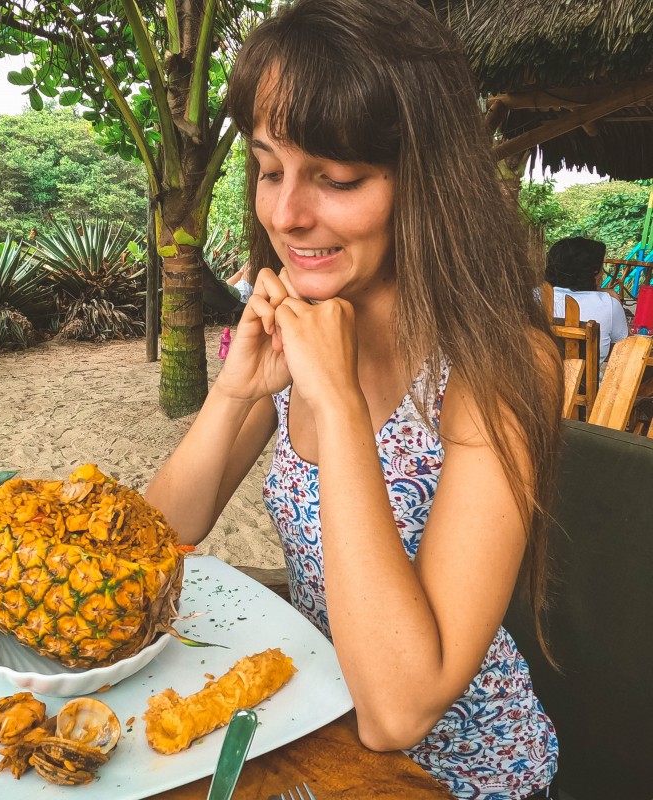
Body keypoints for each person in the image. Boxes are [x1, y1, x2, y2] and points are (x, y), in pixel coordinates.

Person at [145, 1, 562, 798]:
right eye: (270, 169)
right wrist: (236, 392)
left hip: (461, 778)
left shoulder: (496, 368)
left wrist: (335, 405)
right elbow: (156, 541)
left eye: (335, 178)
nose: (287, 215)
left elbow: (400, 712)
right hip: (320, 745)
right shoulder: (298, 334)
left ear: (427, 181)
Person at [546, 236, 629, 365]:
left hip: (538, 382)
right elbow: (625, 350)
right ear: (594, 272)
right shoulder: (608, 303)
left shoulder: (535, 296)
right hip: (589, 384)